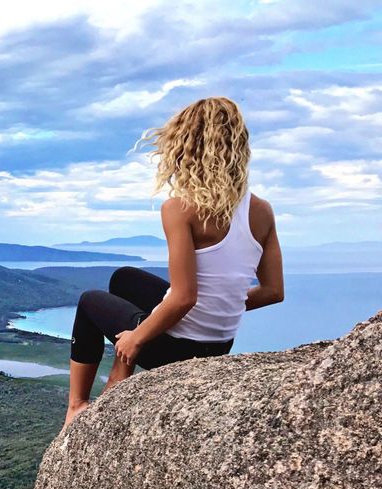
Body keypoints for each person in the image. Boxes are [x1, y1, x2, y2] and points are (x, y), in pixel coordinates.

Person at [63, 96, 284, 428]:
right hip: (220, 345)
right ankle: (121, 371)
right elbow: (272, 291)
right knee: (124, 278)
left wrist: (135, 339)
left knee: (89, 302)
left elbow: (184, 297)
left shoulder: (181, 208)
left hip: (176, 349)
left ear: (186, 147)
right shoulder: (262, 210)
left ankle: (77, 407)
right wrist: (221, 305)